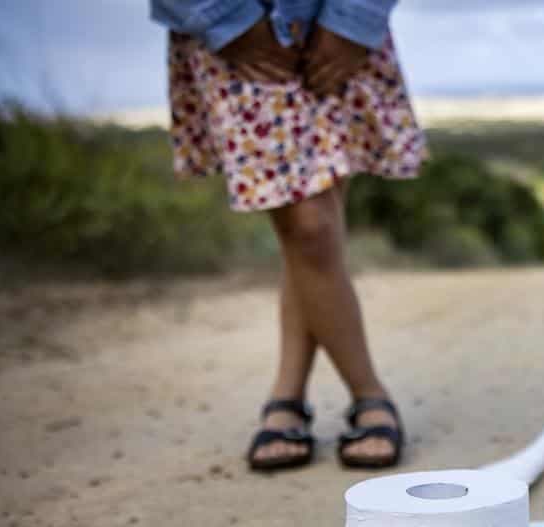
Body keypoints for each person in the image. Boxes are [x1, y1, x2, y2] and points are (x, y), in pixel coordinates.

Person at [150, 0, 425, 472]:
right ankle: (369, 393)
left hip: (336, 24)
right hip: (234, 31)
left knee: (316, 224)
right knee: (310, 226)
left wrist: (355, 17)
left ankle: (287, 396)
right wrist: (226, 19)